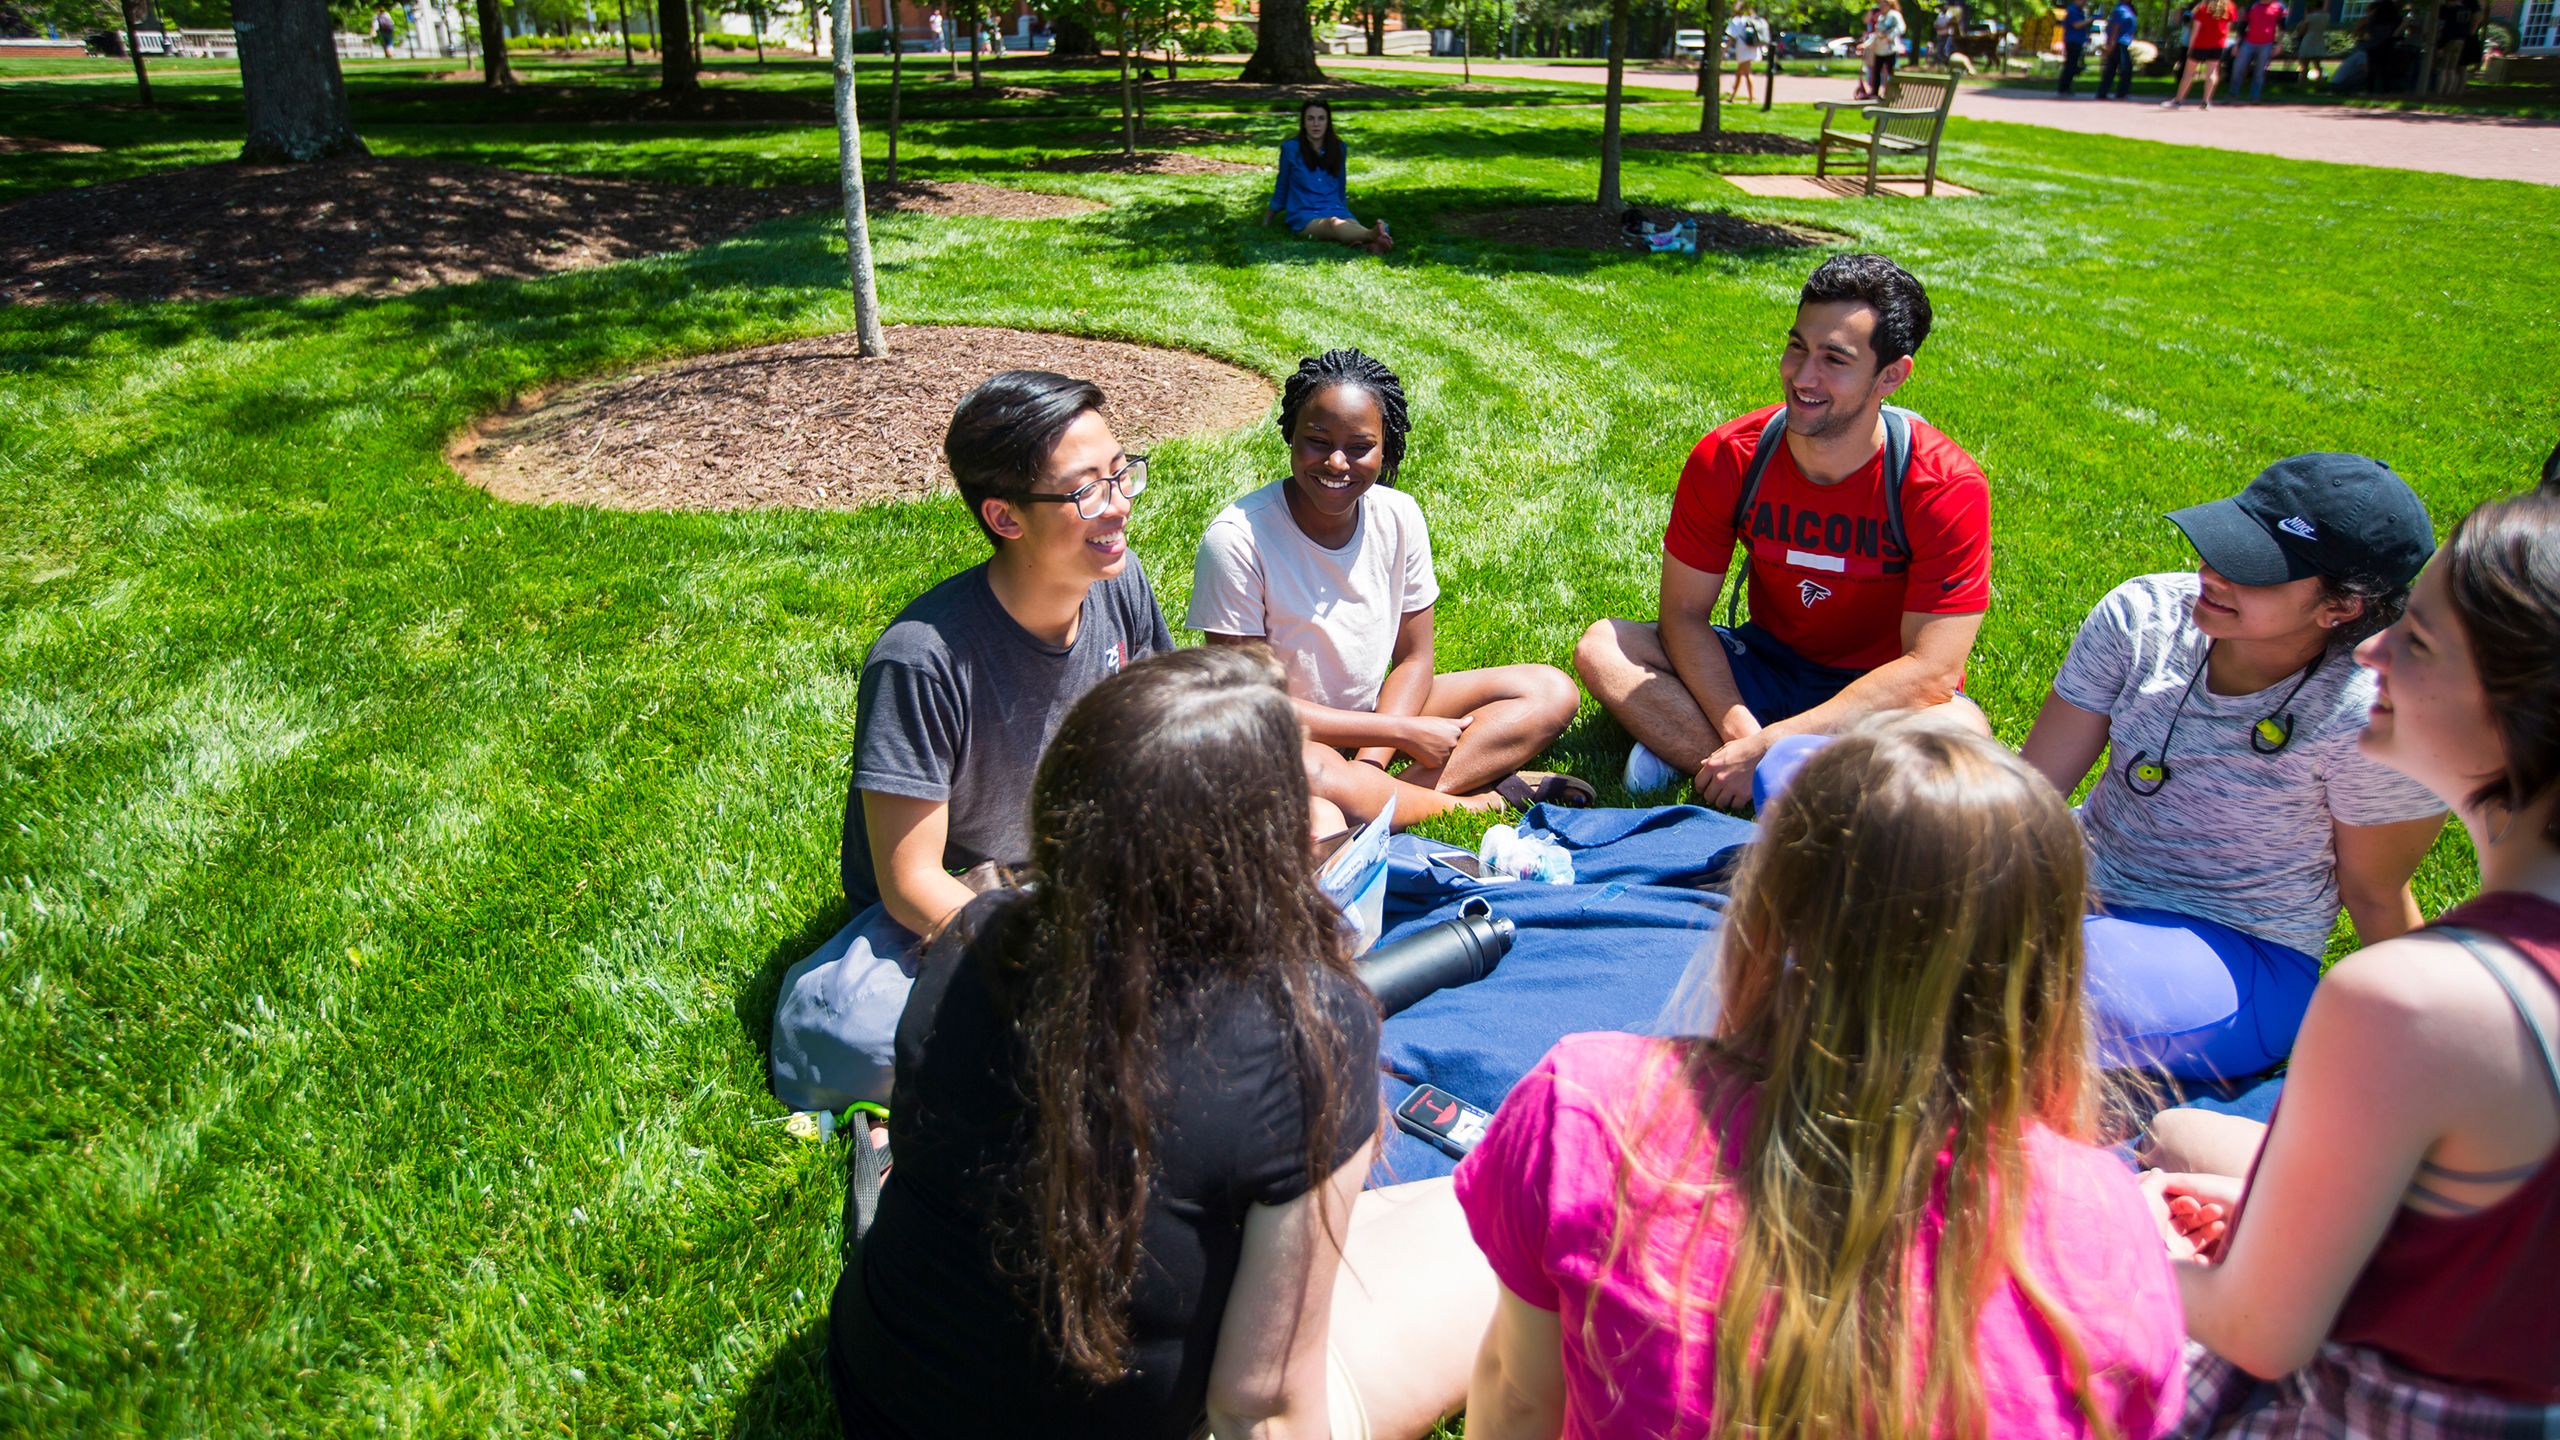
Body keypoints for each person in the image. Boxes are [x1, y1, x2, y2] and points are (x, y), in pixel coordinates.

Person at [1455, 714, 2189, 1440]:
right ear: (2048, 968)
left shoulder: (1590, 1109)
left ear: (1763, 913)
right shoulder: (2111, 1230)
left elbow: (1519, 1398)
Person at [828, 645, 1495, 1440]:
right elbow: (1263, 1406)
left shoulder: (976, 936)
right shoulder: (1307, 1033)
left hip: (883, 1396)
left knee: (1387, 1219)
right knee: (1489, 1222)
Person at [2147, 486, 2560, 1434]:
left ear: (2522, 705)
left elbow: (2260, 1333)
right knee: (2180, 1144)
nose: (2369, 653)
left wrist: (2083, 1240)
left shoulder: (2414, 1000)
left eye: (2414, 640)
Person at [767, 371, 1174, 1112]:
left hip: (1084, 866)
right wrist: (1045, 957)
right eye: (1086, 491)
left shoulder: (1120, 584)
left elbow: (1155, 743)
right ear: (1005, 516)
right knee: (854, 1038)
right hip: (961, 911)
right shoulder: (921, 657)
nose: (1117, 506)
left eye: (1122, 474)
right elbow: (909, 882)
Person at [2019, 455, 2444, 1083]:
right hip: (2080, 883)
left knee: (2028, 991)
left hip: (2241, 948)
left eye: (2254, 568)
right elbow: (2030, 795)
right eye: (2225, 541)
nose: (2212, 571)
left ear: (2343, 607)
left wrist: (2440, 1038)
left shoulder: (2371, 712)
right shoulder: (2143, 615)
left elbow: (2376, 893)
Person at [1575, 254, 1993, 813]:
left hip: (1881, 693)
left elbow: (1930, 669)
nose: (1802, 376)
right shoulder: (1731, 455)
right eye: (1797, 346)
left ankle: (1701, 758)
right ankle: (1772, 775)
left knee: (1961, 732)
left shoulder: (1943, 485)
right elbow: (1683, 615)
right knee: (1606, 646)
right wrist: (1742, 730)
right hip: (1765, 665)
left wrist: (1769, 745)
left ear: (1891, 375)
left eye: (1834, 359)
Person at [1191, 350, 1589, 830]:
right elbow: (1253, 704)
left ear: (1386, 447)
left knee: (1548, 689)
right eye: (1317, 441)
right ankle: (1481, 802)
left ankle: (1373, 800)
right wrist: (1399, 730)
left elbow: (1416, 659)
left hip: (1372, 713)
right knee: (1313, 771)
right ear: (1290, 436)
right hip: (1281, 734)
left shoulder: (1399, 516)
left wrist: (1371, 761)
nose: (1337, 462)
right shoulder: (1237, 539)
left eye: (1360, 447)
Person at [1265, 100, 1393, 257]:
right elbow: (1282, 186)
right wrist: (1268, 219)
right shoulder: (1291, 149)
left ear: (1328, 122)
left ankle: (1369, 246)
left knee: (1347, 223)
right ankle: (1372, 235)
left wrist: (1344, 210)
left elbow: (1340, 185)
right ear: (1303, 123)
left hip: (1335, 208)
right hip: (1305, 214)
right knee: (1332, 224)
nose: (1316, 124)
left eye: (1321, 118)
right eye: (1310, 119)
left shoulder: (1339, 148)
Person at [2164, 0, 2235, 105]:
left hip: (2200, 44)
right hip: (2217, 44)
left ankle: (2179, 99)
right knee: (2212, 73)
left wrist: (2190, 47)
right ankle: (2206, 101)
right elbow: (2228, 28)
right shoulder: (2229, 6)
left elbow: (2195, 30)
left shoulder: (2202, 8)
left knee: (2188, 73)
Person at [2232, 0, 2285, 96]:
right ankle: (2233, 93)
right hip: (2248, 42)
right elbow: (2242, 26)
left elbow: (2282, 28)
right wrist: (2236, 45)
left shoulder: (2279, 7)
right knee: (2238, 68)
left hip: (2266, 44)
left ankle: (2255, 96)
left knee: (2260, 71)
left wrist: (2279, 45)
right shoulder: (2253, 5)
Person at [2097, 0, 2143, 96]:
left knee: (2113, 68)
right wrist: (2111, 45)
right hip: (2118, 43)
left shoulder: (2127, 9)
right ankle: (2118, 92)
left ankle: (2104, 92)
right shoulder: (2120, 10)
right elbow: (2115, 28)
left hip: (2123, 43)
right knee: (2124, 69)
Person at [1725, 1, 1765, 100]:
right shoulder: (1752, 19)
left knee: (1747, 73)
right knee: (1739, 72)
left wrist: (1724, 50)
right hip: (1752, 47)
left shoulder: (1736, 21)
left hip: (1742, 48)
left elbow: (1730, 38)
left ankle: (1751, 97)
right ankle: (1732, 96)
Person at [2290, 0, 2330, 85]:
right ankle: (2320, 83)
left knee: (2304, 64)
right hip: (2319, 39)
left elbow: (2303, 29)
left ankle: (2302, 82)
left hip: (2308, 39)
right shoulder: (2326, 16)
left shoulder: (2310, 17)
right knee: (2317, 64)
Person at [2058, 0, 2094, 91]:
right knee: (2070, 64)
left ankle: (2066, 86)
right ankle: (2064, 87)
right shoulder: (2072, 10)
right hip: (2072, 41)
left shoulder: (2079, 10)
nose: (2084, 2)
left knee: (2073, 64)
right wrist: (2089, 21)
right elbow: (2076, 25)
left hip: (2078, 40)